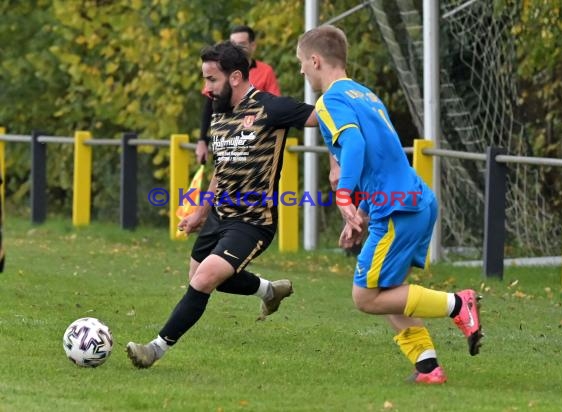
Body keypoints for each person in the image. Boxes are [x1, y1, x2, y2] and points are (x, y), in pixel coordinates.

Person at [296, 25, 483, 384]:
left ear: (315, 60)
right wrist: (361, 214)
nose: (303, 71)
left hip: (400, 209)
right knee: (389, 292)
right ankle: (428, 369)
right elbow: (384, 159)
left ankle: (459, 304)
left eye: (303, 64)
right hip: (413, 202)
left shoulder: (330, 100)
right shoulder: (365, 94)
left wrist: (344, 195)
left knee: (365, 297)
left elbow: (354, 145)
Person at [126, 41, 317, 369]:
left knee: (203, 280)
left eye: (211, 79)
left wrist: (347, 99)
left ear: (236, 77)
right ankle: (269, 291)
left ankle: (154, 350)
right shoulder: (220, 113)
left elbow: (321, 117)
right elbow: (222, 167)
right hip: (219, 216)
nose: (206, 88)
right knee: (200, 277)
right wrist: (201, 211)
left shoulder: (270, 108)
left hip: (253, 220)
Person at [195, 25, 281, 164]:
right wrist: (202, 140)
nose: (236, 48)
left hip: (257, 143)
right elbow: (209, 106)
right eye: (233, 44)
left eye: (241, 44)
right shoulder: (220, 70)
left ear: (253, 46)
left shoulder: (265, 71)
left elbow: (276, 106)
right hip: (227, 140)